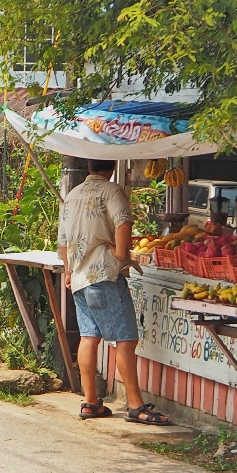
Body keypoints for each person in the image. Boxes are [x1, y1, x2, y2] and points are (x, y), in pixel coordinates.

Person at [58, 159, 171, 425]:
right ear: (112, 167)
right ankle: (136, 405)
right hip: (105, 275)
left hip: (79, 278)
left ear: (88, 166)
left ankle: (90, 402)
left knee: (89, 337)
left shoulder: (72, 195)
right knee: (125, 339)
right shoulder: (112, 191)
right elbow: (123, 224)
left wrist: (68, 271)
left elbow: (63, 241)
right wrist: (121, 253)